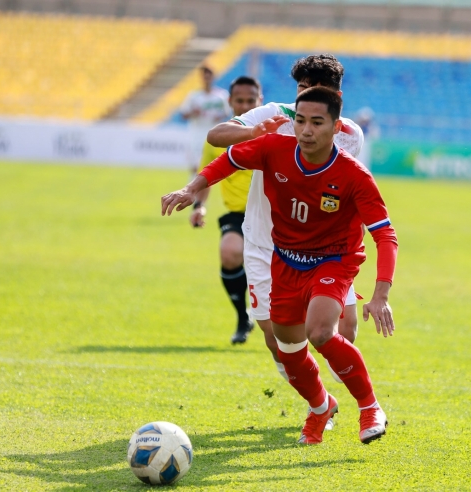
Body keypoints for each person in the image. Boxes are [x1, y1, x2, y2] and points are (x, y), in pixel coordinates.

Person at [162, 87, 398, 445]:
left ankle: (370, 407)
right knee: (287, 349)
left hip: (334, 259)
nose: (306, 130)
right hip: (286, 260)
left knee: (321, 331)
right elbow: (228, 159)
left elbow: (385, 236)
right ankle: (321, 407)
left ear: (337, 127)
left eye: (317, 123)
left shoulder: (355, 176)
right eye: (300, 121)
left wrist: (380, 295)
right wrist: (190, 189)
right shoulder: (275, 149)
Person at [207, 54, 364, 387]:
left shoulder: (350, 134)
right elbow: (216, 135)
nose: (304, 98)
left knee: (345, 328)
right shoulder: (275, 114)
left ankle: (337, 395)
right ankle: (317, 398)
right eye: (301, 89)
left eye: (314, 90)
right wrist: (252, 131)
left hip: (324, 248)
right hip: (267, 242)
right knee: (275, 339)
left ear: (335, 98)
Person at [190, 76, 263, 344]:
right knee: (230, 252)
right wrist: (200, 207)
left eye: (250, 101)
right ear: (229, 102)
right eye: (239, 101)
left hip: (273, 214)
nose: (244, 106)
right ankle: (243, 317)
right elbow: (207, 175)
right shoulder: (218, 138)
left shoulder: (275, 134)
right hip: (239, 214)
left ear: (260, 101)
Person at [179, 66, 230, 175]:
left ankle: (202, 189)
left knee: (212, 166)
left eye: (209, 76)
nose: (207, 79)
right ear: (201, 78)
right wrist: (194, 113)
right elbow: (183, 114)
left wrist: (219, 116)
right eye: (205, 76)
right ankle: (192, 188)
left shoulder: (221, 96)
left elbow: (227, 112)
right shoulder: (194, 96)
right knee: (195, 165)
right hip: (197, 134)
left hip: (215, 134)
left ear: (213, 77)